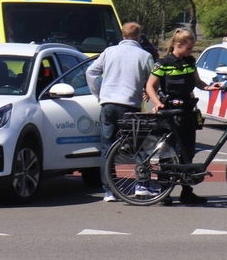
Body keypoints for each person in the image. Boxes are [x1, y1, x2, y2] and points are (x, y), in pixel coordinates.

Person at [145, 28, 217, 205]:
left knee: (187, 152)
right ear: (178, 45)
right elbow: (150, 86)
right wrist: (157, 103)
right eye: (188, 48)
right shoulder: (163, 64)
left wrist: (209, 87)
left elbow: (197, 82)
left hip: (187, 112)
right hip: (169, 111)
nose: (190, 52)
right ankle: (164, 192)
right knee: (167, 153)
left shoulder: (189, 62)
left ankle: (186, 191)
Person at [87, 21, 155, 202]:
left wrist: (99, 93)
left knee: (107, 147)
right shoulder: (144, 55)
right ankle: (142, 185)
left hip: (108, 104)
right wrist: (149, 92)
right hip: (130, 105)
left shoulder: (109, 52)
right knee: (140, 145)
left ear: (123, 35)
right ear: (139, 36)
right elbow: (153, 80)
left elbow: (91, 72)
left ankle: (109, 190)